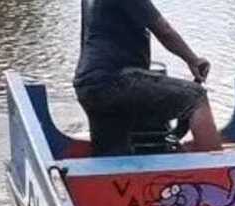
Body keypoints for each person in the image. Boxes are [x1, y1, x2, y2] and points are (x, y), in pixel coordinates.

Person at [73, 0, 222, 156]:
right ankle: (219, 171)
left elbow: (88, 37)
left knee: (114, 153)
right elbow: (164, 31)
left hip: (88, 84)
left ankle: (110, 176)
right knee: (196, 97)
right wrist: (193, 60)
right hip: (116, 79)